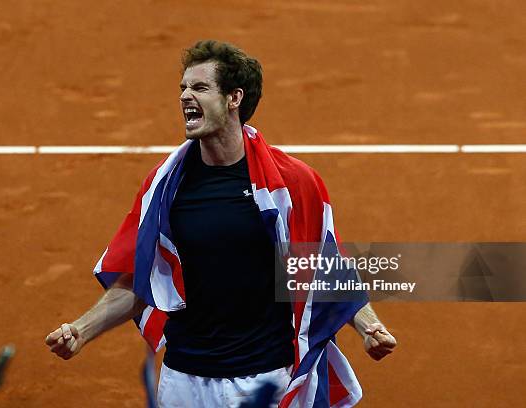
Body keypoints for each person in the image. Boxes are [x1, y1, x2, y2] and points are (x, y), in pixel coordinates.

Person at [45, 40, 397, 407]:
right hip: (184, 380)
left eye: (198, 87)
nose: (184, 96)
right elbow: (140, 281)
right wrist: (81, 330)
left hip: (265, 380)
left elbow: (325, 267)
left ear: (234, 98)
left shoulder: (291, 184)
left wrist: (368, 326)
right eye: (182, 87)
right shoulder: (166, 187)